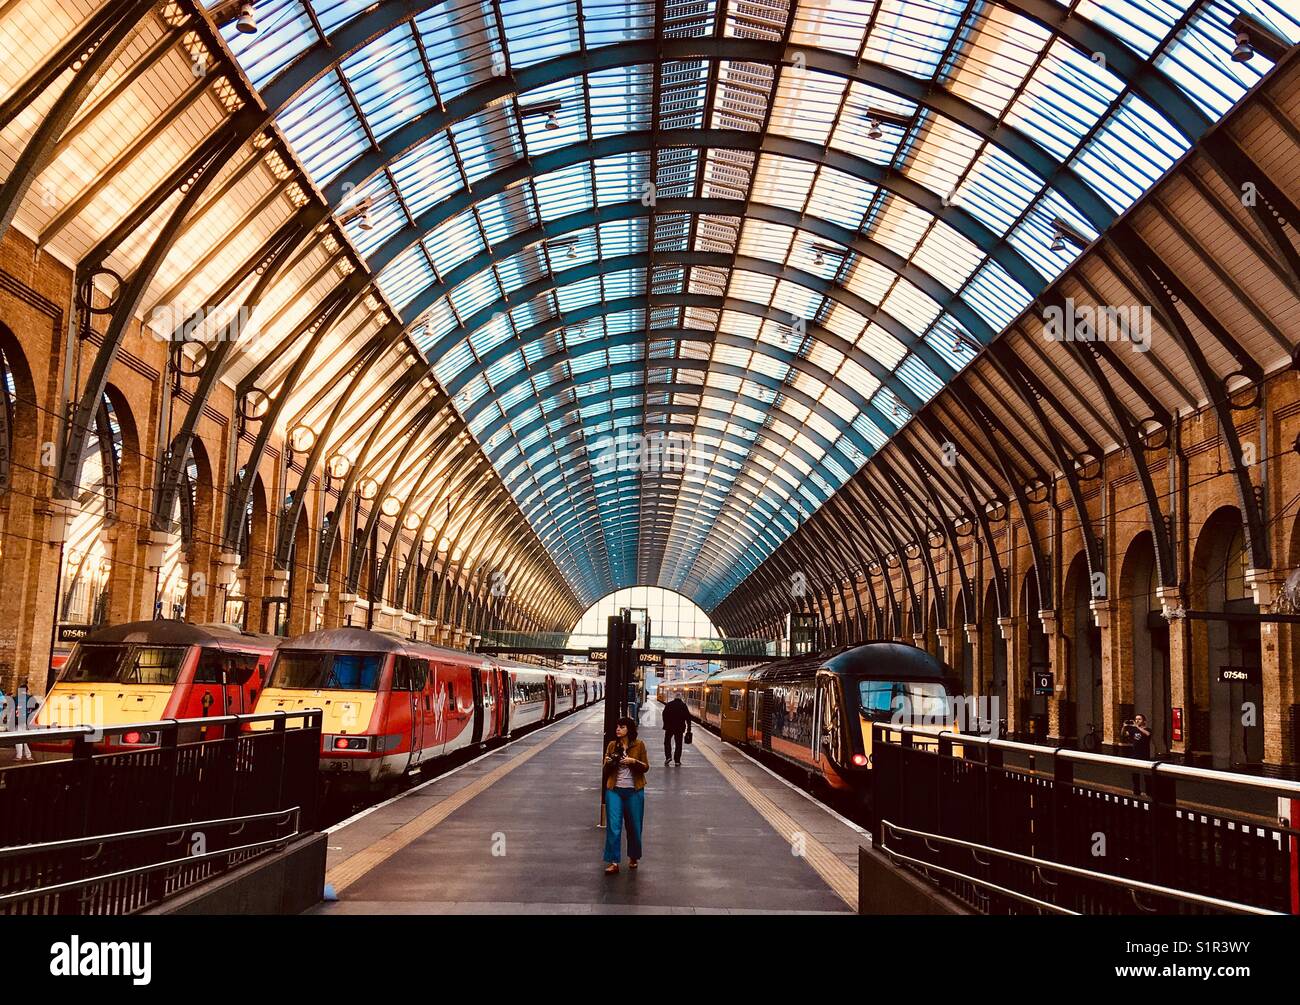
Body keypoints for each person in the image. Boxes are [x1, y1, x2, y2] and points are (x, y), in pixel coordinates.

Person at [602, 716, 649, 874]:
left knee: (634, 827)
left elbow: (646, 767)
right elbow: (605, 767)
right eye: (617, 727)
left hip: (634, 791)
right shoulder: (611, 745)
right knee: (614, 827)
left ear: (629, 729)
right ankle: (613, 861)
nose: (618, 729)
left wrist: (633, 762)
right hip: (614, 790)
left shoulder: (639, 745)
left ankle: (634, 856)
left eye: (621, 727)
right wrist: (610, 761)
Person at [661, 694, 692, 766]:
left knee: (667, 742)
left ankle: (668, 757)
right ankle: (677, 761)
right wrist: (688, 729)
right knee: (678, 744)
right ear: (681, 698)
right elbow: (688, 718)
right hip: (679, 728)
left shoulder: (669, 704)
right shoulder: (683, 705)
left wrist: (665, 724)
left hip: (669, 727)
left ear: (674, 698)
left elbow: (664, 715)